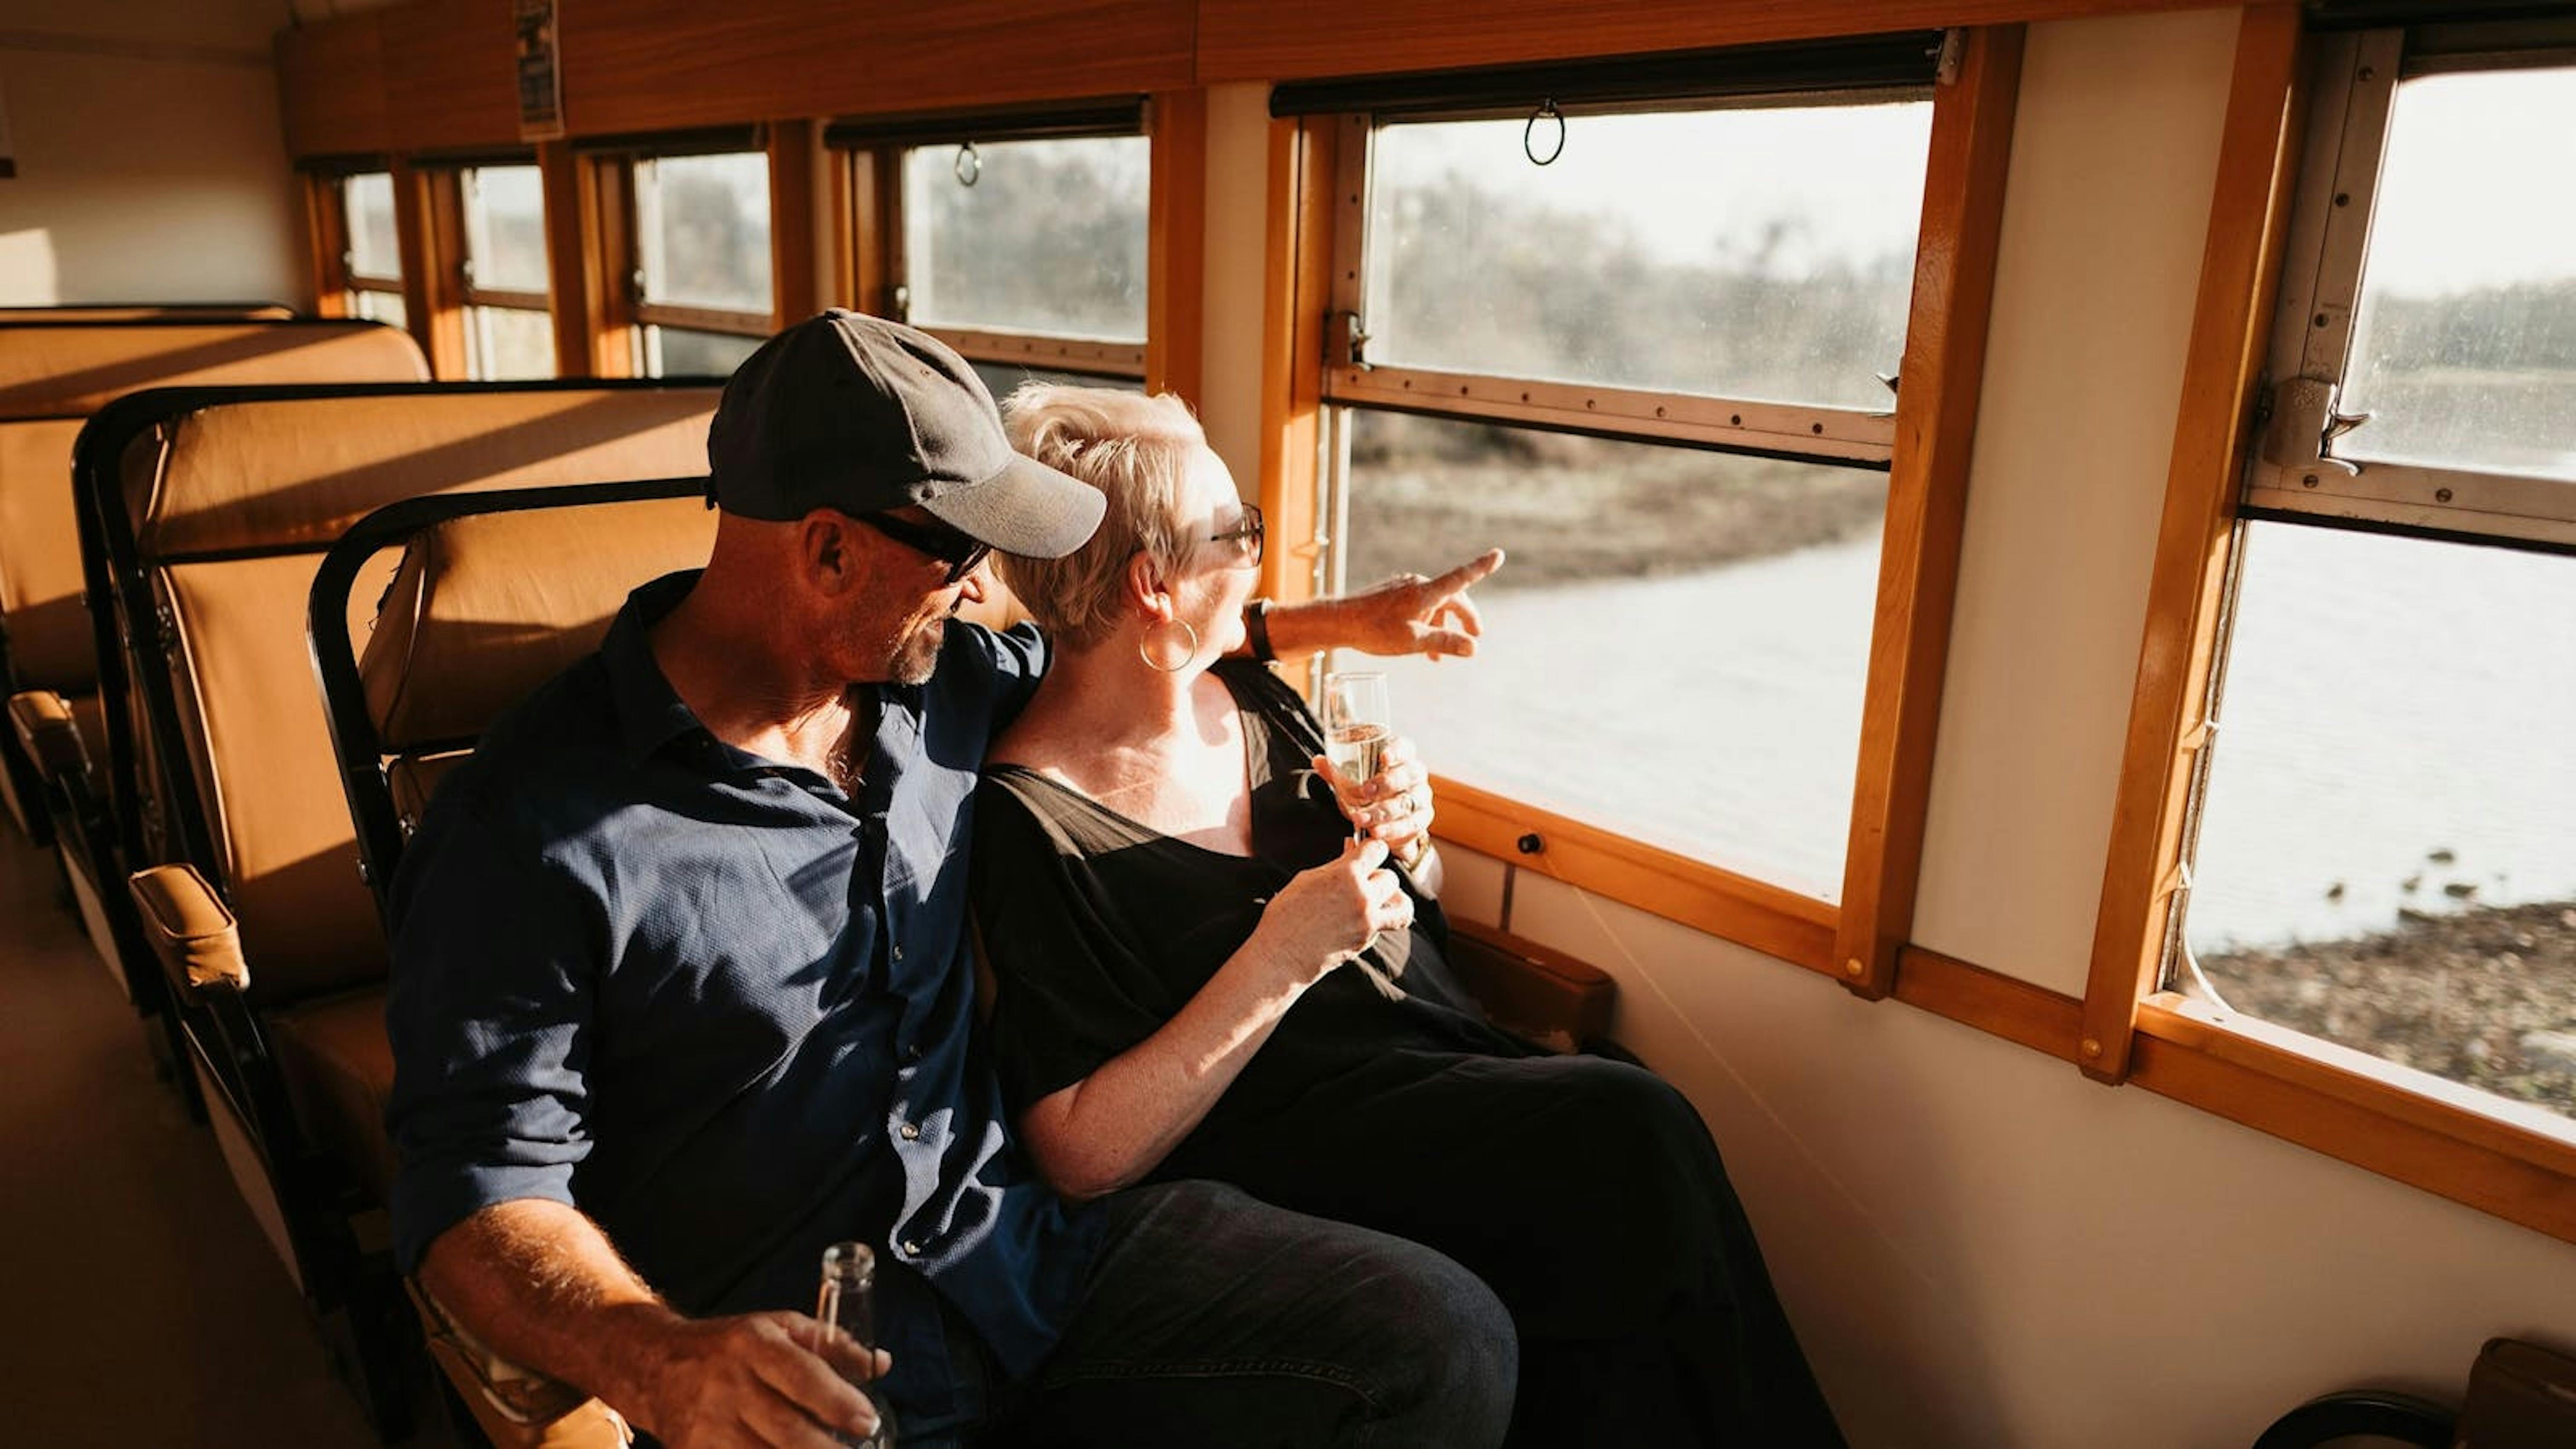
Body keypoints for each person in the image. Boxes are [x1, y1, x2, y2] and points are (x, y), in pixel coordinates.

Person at [384, 311, 1523, 1449]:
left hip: (1028, 1267)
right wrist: (659, 1358)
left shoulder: (937, 677)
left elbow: (1112, 640)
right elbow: (475, 1191)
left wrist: (1348, 622)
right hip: (812, 1359)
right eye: (962, 555)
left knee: (1441, 1337)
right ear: (829, 553)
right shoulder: (530, 828)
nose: (985, 592)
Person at [968, 385, 1847, 1448]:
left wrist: (1412, 842)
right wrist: (1279, 959)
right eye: (1237, 534)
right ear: (1154, 585)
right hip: (1286, 1143)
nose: (1257, 555)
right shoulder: (1031, 821)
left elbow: (1402, 911)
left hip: (1433, 1057)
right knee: (1628, 1131)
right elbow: (1079, 1152)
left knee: (1618, 1165)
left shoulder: (1252, 699)